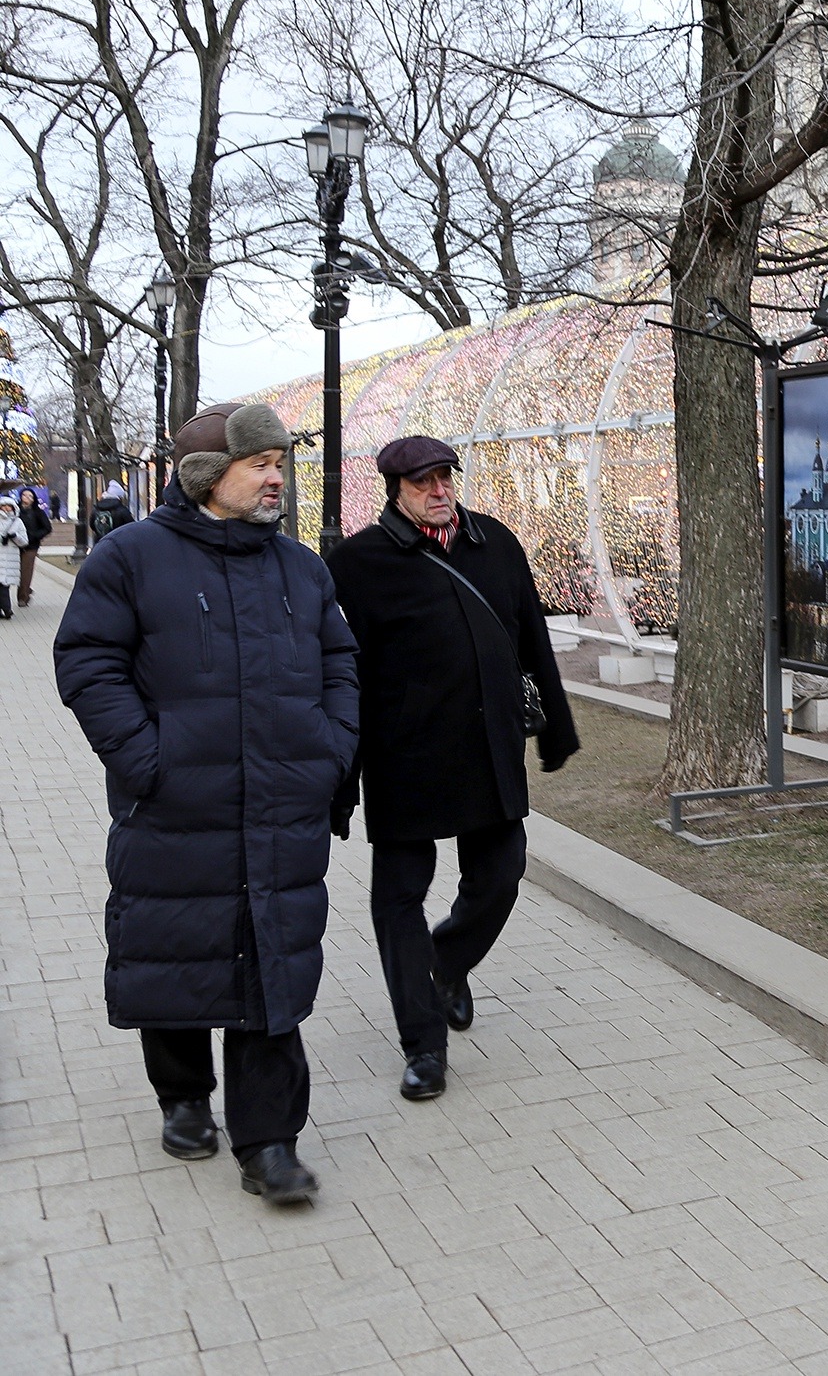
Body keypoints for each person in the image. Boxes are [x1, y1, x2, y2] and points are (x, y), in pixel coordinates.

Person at [53, 403, 359, 1206]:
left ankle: (270, 1143)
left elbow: (341, 660)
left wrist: (331, 750)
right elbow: (87, 660)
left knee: (271, 966)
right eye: (258, 461)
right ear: (204, 475)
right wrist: (145, 759)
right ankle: (183, 1094)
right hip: (176, 807)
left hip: (284, 807)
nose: (274, 475)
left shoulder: (301, 568)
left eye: (278, 461)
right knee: (179, 950)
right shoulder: (130, 557)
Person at [328, 436, 578, 1101]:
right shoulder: (357, 562)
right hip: (404, 758)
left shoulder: (495, 543)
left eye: (446, 477)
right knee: (398, 898)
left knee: (500, 875)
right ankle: (423, 1045)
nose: (439, 490)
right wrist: (339, 779)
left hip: (488, 749)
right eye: (423, 482)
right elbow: (340, 676)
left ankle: (444, 964)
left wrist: (557, 724)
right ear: (396, 490)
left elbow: (533, 638)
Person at [17, 487, 51, 605]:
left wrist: (35, 536)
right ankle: (26, 590)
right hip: (15, 545)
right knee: (15, 571)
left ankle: (23, 597)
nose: (27, 498)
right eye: (25, 495)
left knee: (26, 572)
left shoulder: (38, 512)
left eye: (30, 496)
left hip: (31, 546)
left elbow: (47, 528)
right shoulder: (15, 510)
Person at [0, 495, 27, 619]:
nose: (6, 509)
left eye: (8, 506)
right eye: (3, 506)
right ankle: (7, 609)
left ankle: (5, 609)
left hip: (11, 558)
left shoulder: (18, 522)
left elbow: (24, 541)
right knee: (2, 586)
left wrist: (14, 536)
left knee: (5, 585)